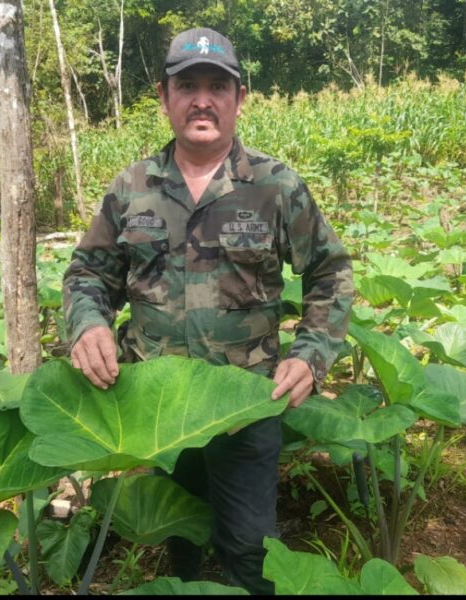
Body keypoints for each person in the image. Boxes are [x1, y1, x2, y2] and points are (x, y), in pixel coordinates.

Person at [62, 27, 354, 595]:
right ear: (164, 96)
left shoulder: (275, 187)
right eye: (187, 86)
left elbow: (331, 274)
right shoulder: (132, 187)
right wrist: (89, 323)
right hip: (158, 406)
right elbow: (88, 274)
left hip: (245, 404)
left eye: (217, 87)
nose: (202, 100)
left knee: (249, 546)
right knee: (180, 537)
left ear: (239, 98)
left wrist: (311, 354)